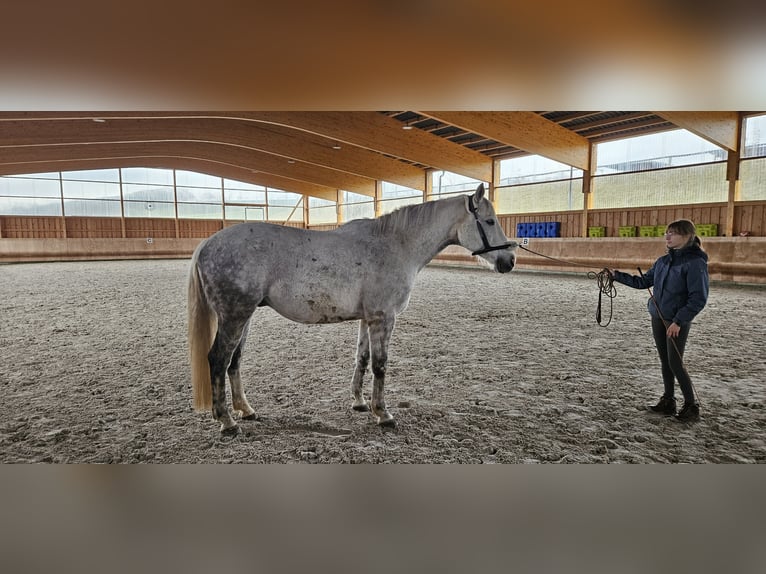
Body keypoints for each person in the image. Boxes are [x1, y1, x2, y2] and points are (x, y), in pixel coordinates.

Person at [610, 219, 709, 422]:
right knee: (665, 361)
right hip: (658, 315)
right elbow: (643, 282)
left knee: (675, 362)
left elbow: (698, 297)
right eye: (667, 233)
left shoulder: (695, 263)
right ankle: (668, 400)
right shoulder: (663, 261)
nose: (667, 236)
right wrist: (616, 276)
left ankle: (691, 405)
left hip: (676, 321)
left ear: (687, 236)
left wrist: (679, 321)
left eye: (672, 233)